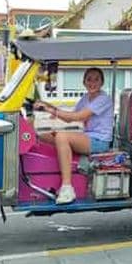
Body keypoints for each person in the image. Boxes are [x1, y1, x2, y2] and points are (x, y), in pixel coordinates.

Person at [34, 67, 113, 204]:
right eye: (89, 79)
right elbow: (67, 117)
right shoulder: (85, 99)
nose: (92, 83)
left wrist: (49, 109)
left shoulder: (103, 99)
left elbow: (77, 117)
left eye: (96, 79)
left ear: (102, 82)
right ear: (84, 82)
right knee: (43, 136)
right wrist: (46, 105)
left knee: (61, 137)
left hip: (99, 141)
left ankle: (67, 187)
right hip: (88, 137)